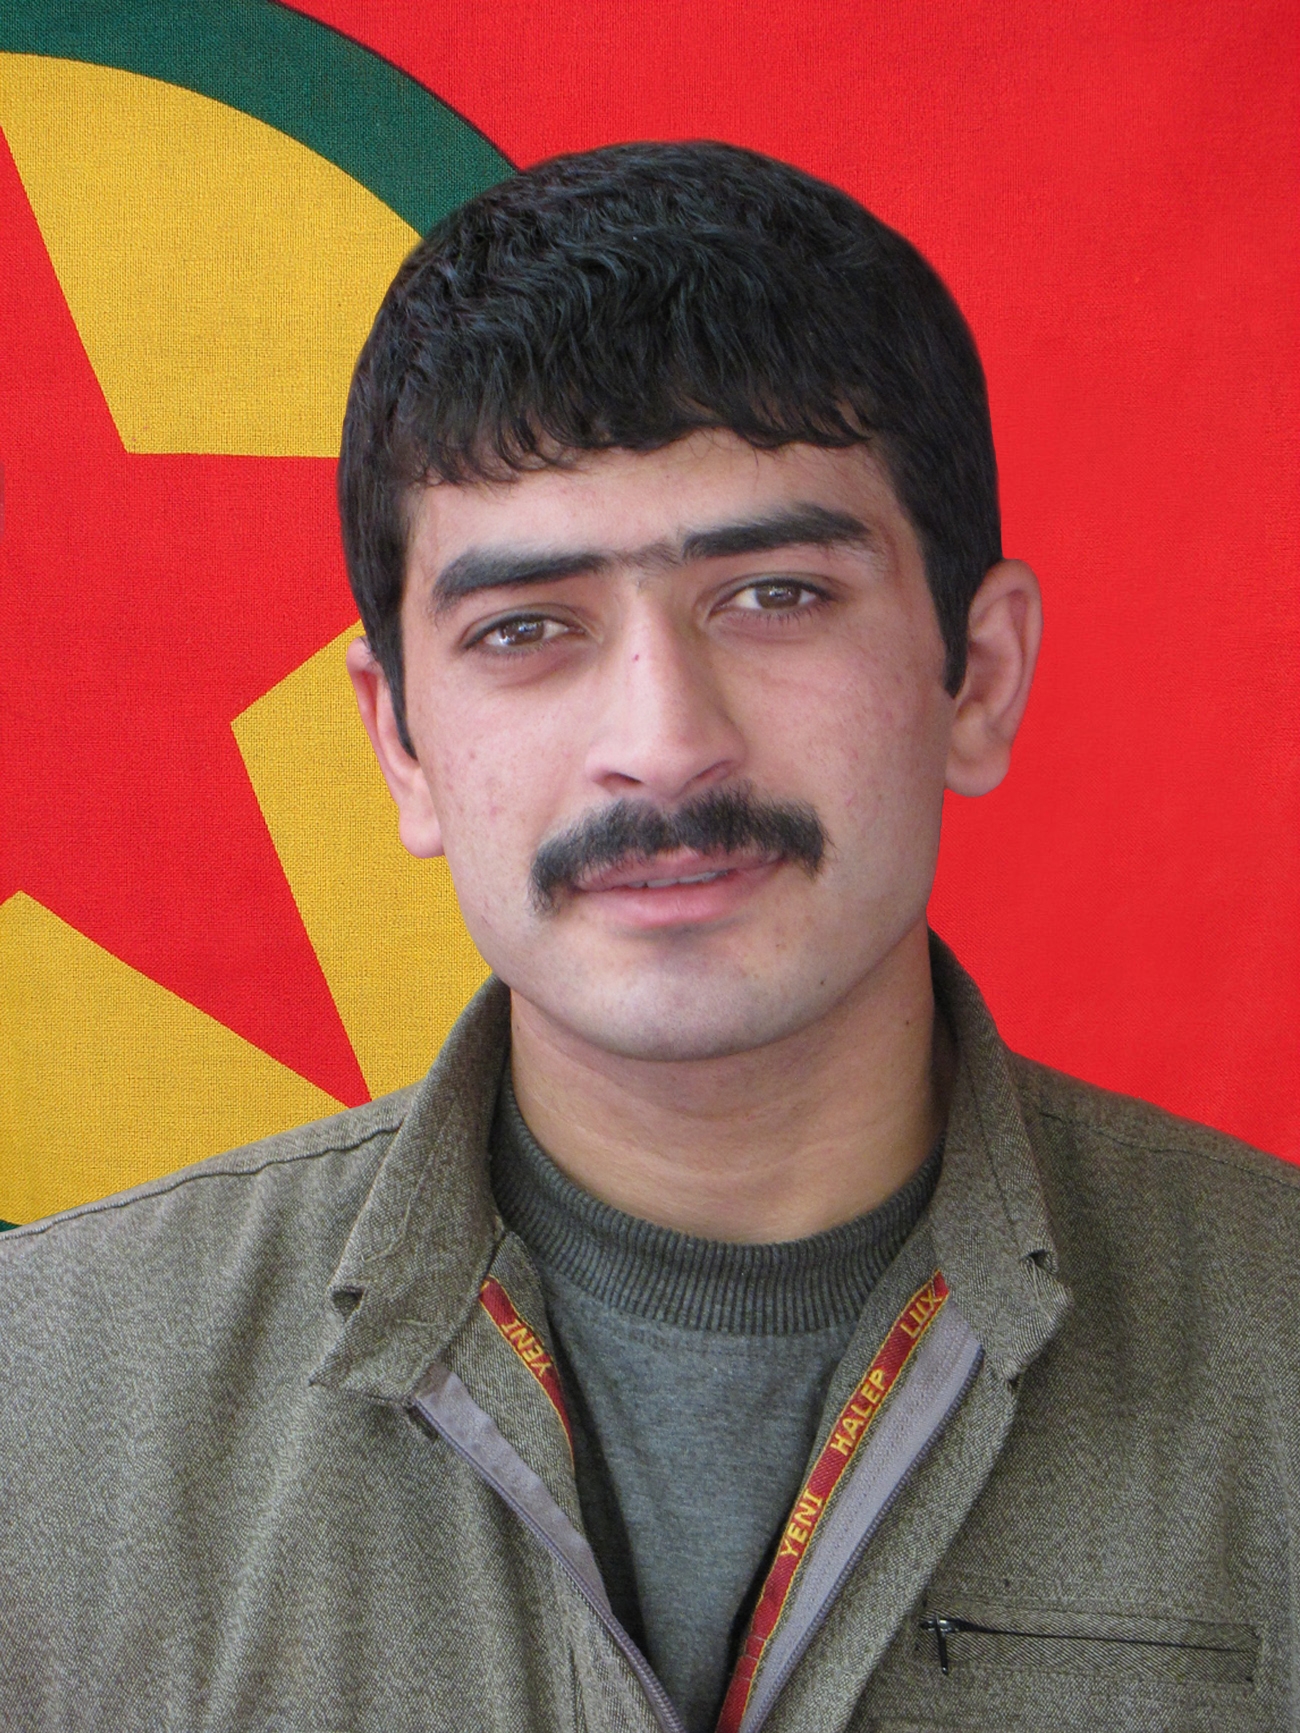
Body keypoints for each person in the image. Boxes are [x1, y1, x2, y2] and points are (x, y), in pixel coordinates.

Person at [1, 141, 1296, 1733]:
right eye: (525, 628)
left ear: (979, 671)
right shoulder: (42, 1398)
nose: (665, 744)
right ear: (400, 742)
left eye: (774, 596)